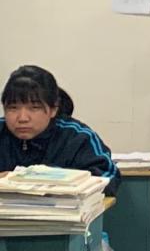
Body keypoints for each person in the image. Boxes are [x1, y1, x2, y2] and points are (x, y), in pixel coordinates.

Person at [0, 65, 120, 195]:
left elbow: (108, 177)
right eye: (13, 108)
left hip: (62, 206)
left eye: (34, 108)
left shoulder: (77, 137)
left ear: (53, 109)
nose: (22, 118)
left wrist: (39, 179)